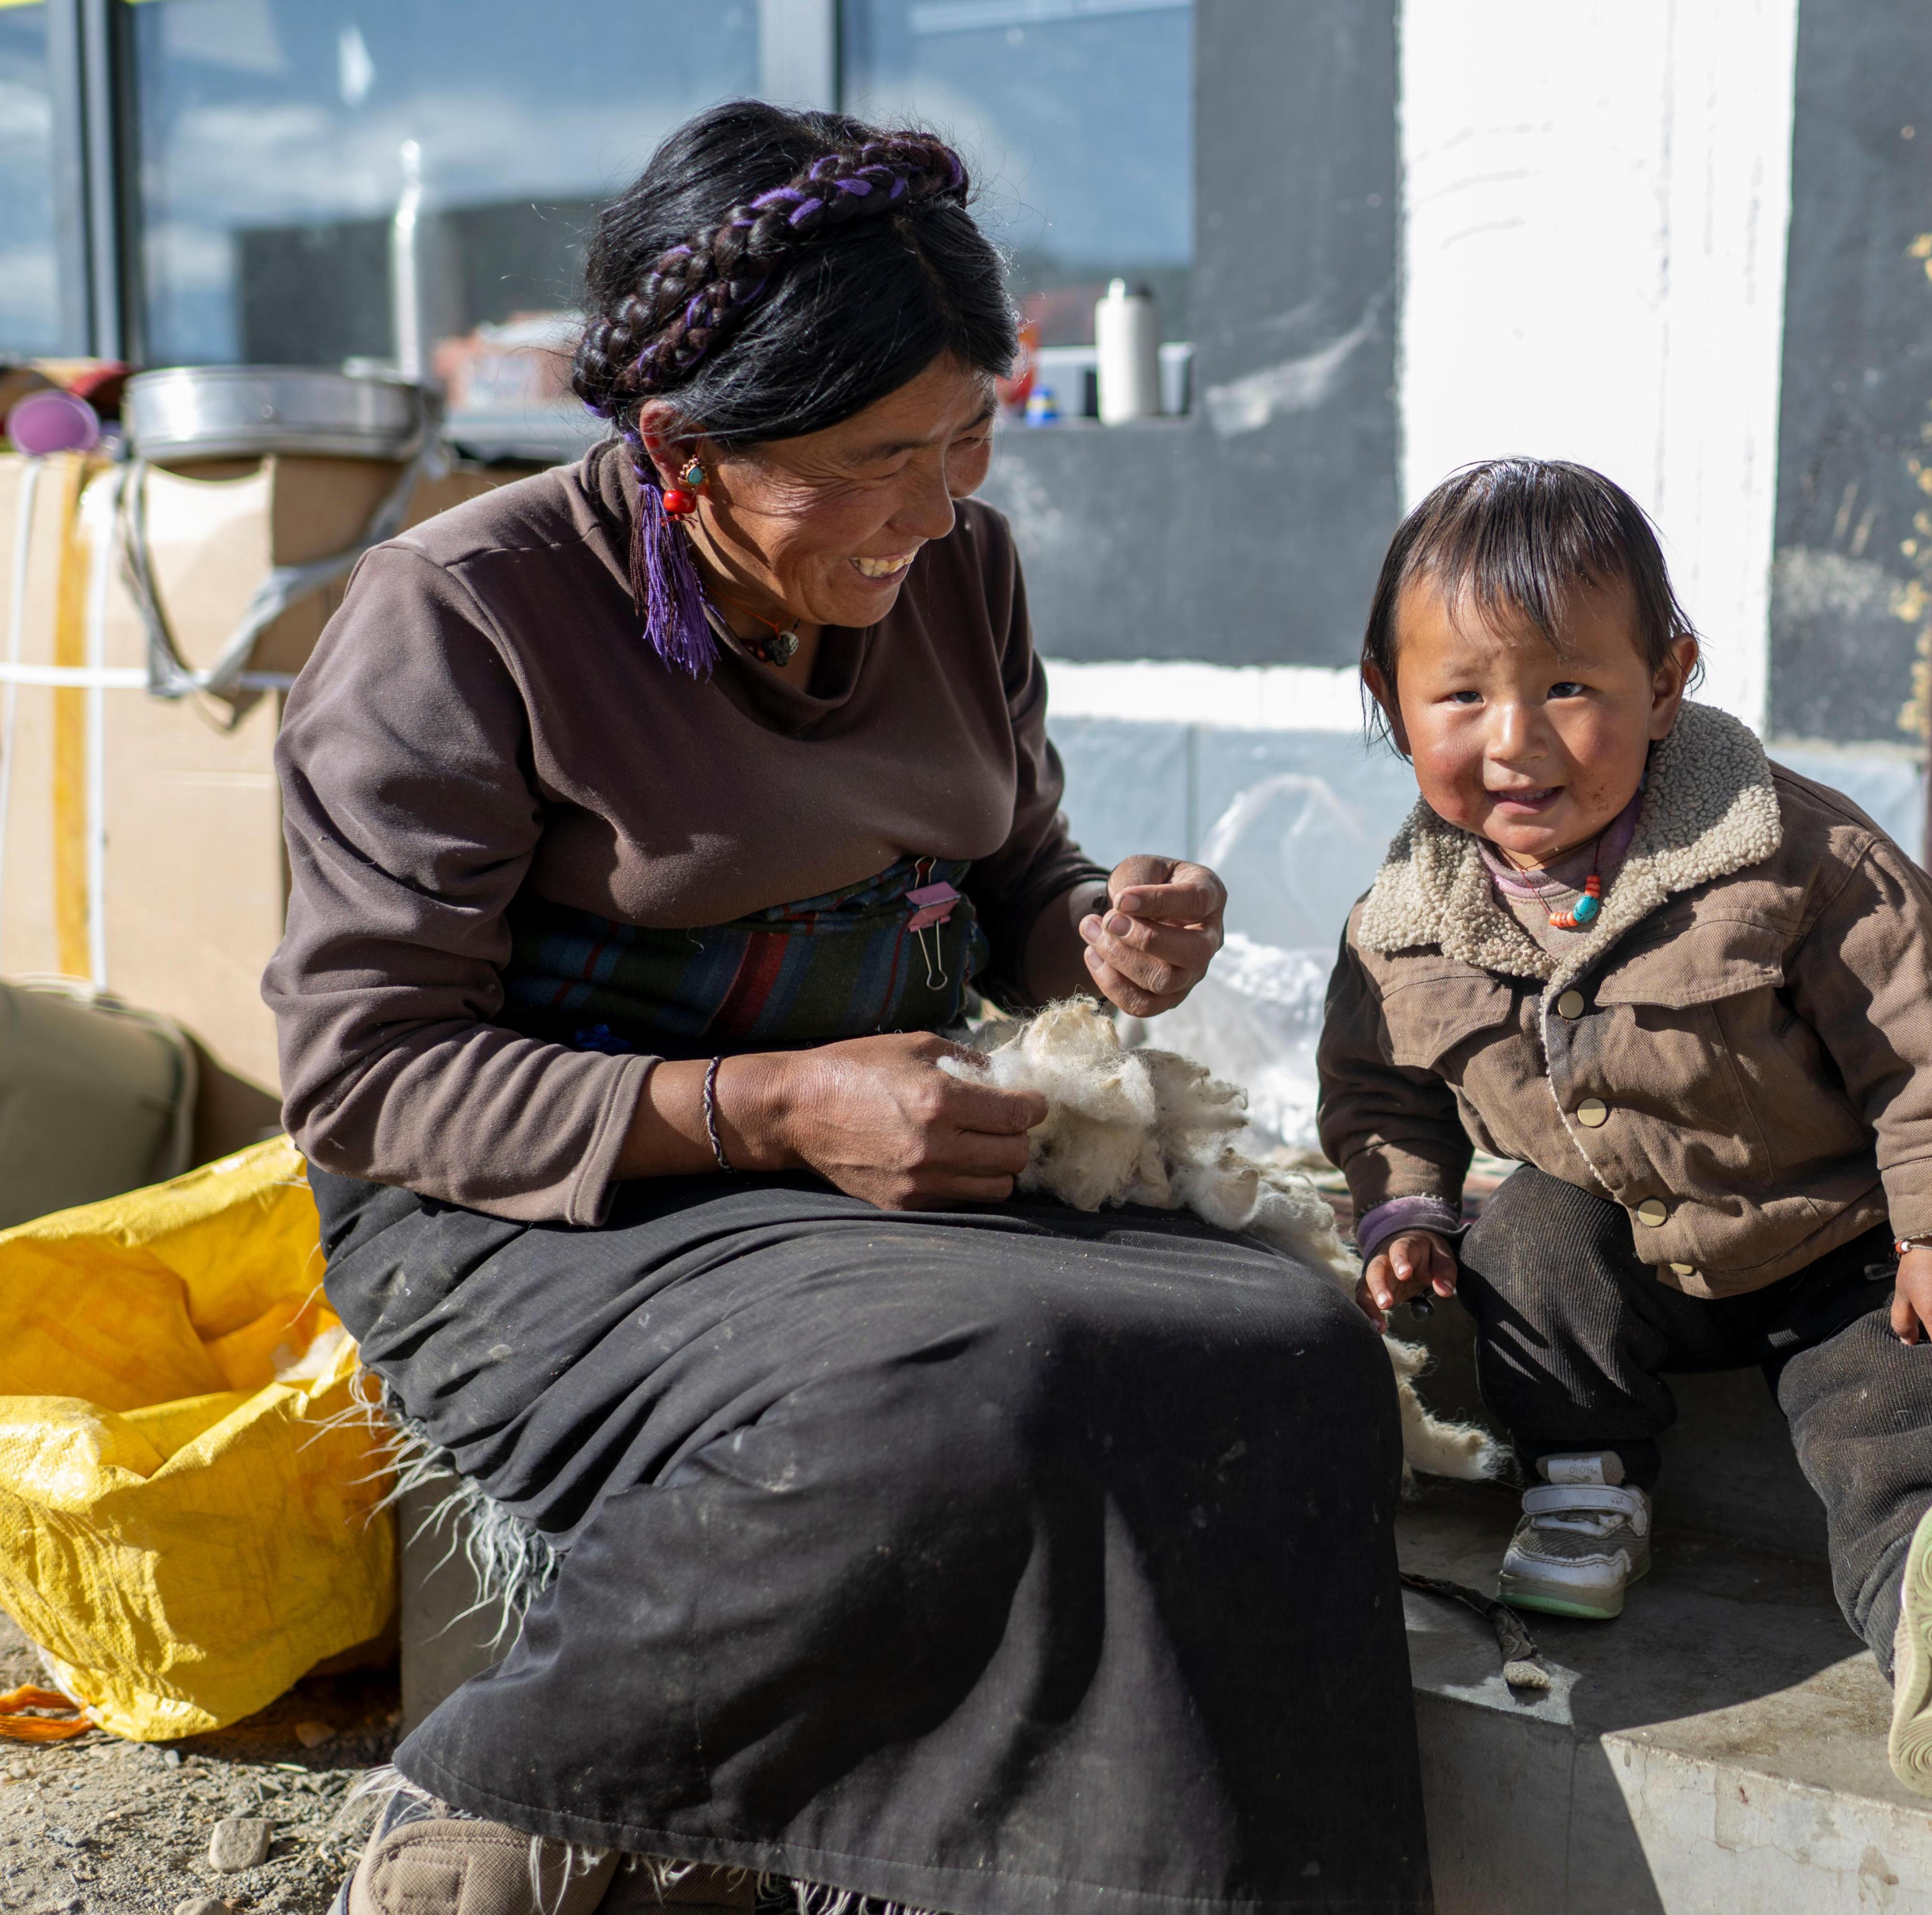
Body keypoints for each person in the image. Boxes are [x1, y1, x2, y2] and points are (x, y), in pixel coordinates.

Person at [265, 102, 1431, 1915]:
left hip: (866, 1176)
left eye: (967, 435)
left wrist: (1093, 936)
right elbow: (368, 1071)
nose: (935, 505)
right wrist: (773, 1109)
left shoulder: (959, 571)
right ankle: (521, 1793)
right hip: (540, 1206)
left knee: (1293, 1355)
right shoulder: (462, 617)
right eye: (872, 458)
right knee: (977, 1384)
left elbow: (1010, 868)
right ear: (680, 445)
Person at [1315, 458, 1932, 1805]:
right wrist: (1406, 1211)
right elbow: (1379, 1091)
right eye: (1461, 695)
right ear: (1387, 700)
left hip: (1832, 1232)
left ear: (1666, 680)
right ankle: (1585, 1480)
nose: (1515, 740)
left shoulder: (1794, 857)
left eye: (1569, 688)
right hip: (1619, 1255)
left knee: (1900, 1393)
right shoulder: (1404, 914)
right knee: (1527, 1239)